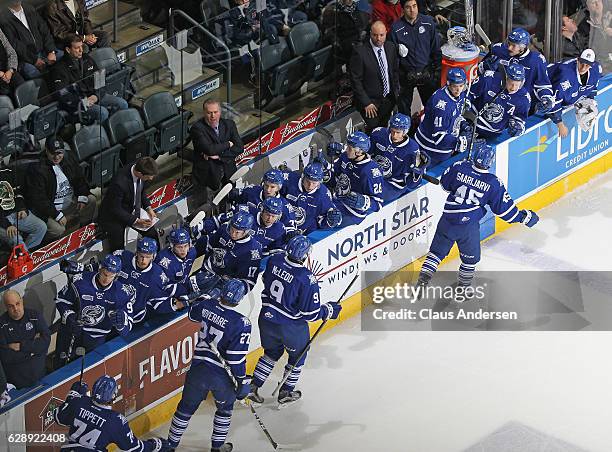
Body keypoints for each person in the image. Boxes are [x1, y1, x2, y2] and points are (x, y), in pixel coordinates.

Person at [417, 140, 539, 289]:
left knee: (435, 254)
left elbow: (445, 184)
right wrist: (525, 217)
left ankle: (421, 282)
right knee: (469, 261)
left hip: (447, 220)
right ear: (490, 162)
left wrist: (465, 170)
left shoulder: (459, 166)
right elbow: (506, 212)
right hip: (468, 228)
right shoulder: (493, 183)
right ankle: (463, 288)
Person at [247, 235, 341, 407]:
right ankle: (286, 392)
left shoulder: (274, 260)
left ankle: (252, 388)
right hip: (290, 326)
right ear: (305, 255)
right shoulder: (306, 278)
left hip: (266, 319)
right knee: (298, 356)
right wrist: (328, 310)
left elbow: (266, 281)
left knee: (271, 353)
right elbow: (310, 314)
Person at [165, 279, 251, 452]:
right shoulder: (242, 323)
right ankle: (217, 447)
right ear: (240, 299)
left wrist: (203, 300)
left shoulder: (207, 305)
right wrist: (242, 381)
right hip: (221, 376)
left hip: (198, 368)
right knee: (225, 409)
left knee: (185, 408)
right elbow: (235, 359)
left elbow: (192, 314)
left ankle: (170, 445)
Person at [60, 238, 186, 325]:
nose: (143, 260)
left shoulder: (158, 276)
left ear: (153, 256)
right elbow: (103, 268)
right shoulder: (122, 257)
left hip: (134, 317)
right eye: (141, 255)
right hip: (109, 308)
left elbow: (158, 302)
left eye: (147, 257)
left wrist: (175, 305)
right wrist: (80, 268)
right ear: (136, 252)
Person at [54, 254, 133, 365]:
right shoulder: (80, 281)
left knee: (87, 368)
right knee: (61, 364)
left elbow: (127, 328)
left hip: (96, 338)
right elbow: (60, 300)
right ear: (100, 268)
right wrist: (70, 318)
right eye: (105, 274)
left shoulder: (121, 293)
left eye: (111, 276)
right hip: (72, 332)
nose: (106, 279)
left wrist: (121, 323)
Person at [54, 375, 166, 451]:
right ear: (113, 396)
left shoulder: (79, 401)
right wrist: (155, 445)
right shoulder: (115, 420)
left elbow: (58, 418)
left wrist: (72, 395)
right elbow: (134, 448)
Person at [27, 137, 96, 240]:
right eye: (52, 153)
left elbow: (79, 179)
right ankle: (47, 245)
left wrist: (82, 195)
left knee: (91, 200)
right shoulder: (37, 168)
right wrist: (56, 214)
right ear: (46, 150)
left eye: (59, 153)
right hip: (51, 210)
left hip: (70, 203)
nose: (56, 157)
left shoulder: (69, 157)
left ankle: (84, 232)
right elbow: (39, 199)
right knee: (57, 230)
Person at [49, 33, 128, 124]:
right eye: (77, 48)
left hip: (94, 95)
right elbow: (63, 94)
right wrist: (82, 102)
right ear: (68, 49)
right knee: (102, 112)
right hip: (78, 104)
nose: (81, 50)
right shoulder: (59, 68)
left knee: (122, 104)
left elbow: (101, 80)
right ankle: (100, 136)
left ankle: (114, 131)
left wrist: (96, 96)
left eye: (81, 46)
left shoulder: (87, 58)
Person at [479, 27, 555, 113]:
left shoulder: (536, 60)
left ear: (524, 47)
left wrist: (547, 98)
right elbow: (478, 73)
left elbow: (543, 84)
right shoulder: (499, 49)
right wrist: (484, 67)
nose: (509, 48)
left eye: (514, 45)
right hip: (491, 99)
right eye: (509, 43)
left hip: (518, 105)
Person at [191, 210, 263, 295]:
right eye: (232, 229)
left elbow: (249, 281)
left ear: (247, 231)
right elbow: (209, 245)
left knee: (203, 304)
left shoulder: (253, 250)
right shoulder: (224, 229)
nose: (233, 234)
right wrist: (196, 238)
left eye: (237, 232)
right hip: (207, 271)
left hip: (224, 284)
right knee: (185, 295)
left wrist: (233, 292)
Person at [390, 0, 441, 116]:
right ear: (403, 9)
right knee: (404, 112)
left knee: (432, 109)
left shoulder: (428, 23)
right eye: (408, 7)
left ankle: (429, 132)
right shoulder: (396, 29)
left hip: (426, 73)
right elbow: (392, 59)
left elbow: (436, 50)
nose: (412, 10)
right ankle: (407, 133)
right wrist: (399, 78)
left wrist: (436, 74)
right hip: (406, 77)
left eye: (414, 6)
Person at [98, 157, 159, 252]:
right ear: (139, 173)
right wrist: (136, 220)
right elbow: (115, 209)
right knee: (118, 247)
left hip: (131, 209)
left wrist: (148, 208)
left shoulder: (139, 167)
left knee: (152, 234)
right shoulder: (119, 183)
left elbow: (141, 192)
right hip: (114, 216)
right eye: (148, 177)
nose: (150, 179)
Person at [349, 21, 400, 133]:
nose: (378, 38)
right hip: (370, 103)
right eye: (375, 35)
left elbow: (394, 71)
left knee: (384, 128)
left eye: (381, 35)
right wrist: (366, 102)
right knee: (375, 130)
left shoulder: (390, 47)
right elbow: (355, 80)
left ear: (386, 33)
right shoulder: (360, 52)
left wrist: (396, 91)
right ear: (370, 34)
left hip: (388, 99)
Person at [414, 68, 472, 166]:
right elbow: (439, 137)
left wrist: (462, 124)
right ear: (448, 84)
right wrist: (458, 143)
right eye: (455, 86)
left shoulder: (459, 95)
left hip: (443, 147)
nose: (458, 90)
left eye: (461, 86)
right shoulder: (441, 106)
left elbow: (455, 115)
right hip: (430, 149)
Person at [326, 131, 385, 226]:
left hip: (352, 213)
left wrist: (364, 202)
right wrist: (325, 173)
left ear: (359, 152)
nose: (346, 150)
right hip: (336, 201)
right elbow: (334, 179)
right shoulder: (346, 157)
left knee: (324, 222)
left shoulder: (370, 172)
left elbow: (378, 203)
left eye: (349, 148)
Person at [193, 199, 288, 256]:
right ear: (262, 210)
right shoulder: (244, 211)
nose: (269, 218)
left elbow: (273, 253)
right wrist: (200, 227)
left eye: (273, 216)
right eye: (267, 214)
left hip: (242, 261)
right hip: (223, 248)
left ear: (278, 216)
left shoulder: (280, 229)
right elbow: (218, 220)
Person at [369, 112, 430, 202]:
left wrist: (417, 174)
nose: (394, 135)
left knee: (372, 193)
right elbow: (364, 154)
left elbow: (411, 185)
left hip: (393, 184)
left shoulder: (412, 149)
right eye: (392, 131)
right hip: (374, 175)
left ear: (405, 131)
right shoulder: (379, 134)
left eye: (398, 132)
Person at [190, 99, 244, 192]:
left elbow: (239, 147)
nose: (213, 116)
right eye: (209, 113)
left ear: (220, 112)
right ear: (204, 113)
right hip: (208, 178)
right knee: (209, 205)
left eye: (215, 112)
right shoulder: (197, 128)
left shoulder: (229, 124)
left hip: (229, 173)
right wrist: (228, 144)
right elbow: (210, 150)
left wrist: (219, 156)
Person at [0, 290, 50, 389]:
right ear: (6, 307)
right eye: (11, 306)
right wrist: (32, 352)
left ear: (22, 301)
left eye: (17, 303)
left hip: (41, 376)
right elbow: (5, 356)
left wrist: (21, 346)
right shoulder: (2, 325)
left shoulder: (34, 316)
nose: (15, 308)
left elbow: (45, 341)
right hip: (17, 383)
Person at [547, 48, 603, 137]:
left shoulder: (596, 70)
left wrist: (589, 101)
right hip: (535, 92)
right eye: (582, 63)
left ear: (591, 65)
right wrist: (560, 124)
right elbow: (553, 100)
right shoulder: (565, 75)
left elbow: (592, 87)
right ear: (577, 60)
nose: (583, 68)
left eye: (587, 65)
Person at [468, 62, 531, 140]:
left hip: (492, 134)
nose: (513, 88)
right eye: (511, 83)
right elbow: (469, 95)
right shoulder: (489, 78)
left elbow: (520, 119)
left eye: (517, 85)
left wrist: (517, 127)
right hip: (472, 123)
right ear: (505, 78)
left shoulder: (524, 98)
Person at [0, 0, 60, 80]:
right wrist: (34, 60)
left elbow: (44, 29)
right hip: (25, 59)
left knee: (64, 57)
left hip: (44, 51)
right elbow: (15, 44)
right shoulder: (3, 17)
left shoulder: (29, 8)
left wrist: (51, 51)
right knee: (33, 73)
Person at [280, 162, 342, 235]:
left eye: (314, 183)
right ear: (303, 176)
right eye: (307, 181)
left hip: (305, 232)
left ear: (319, 182)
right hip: (281, 226)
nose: (310, 186)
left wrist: (331, 220)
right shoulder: (289, 179)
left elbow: (323, 220)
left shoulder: (323, 195)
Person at [230, 168, 296, 233]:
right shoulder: (250, 191)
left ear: (279, 187)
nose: (268, 190)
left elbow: (290, 229)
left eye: (272, 187)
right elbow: (237, 203)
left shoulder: (285, 207)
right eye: (266, 185)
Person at [0, 166, 47, 252]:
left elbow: (18, 193)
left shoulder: (8, 172)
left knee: (41, 227)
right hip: (2, 220)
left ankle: (25, 254)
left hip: (15, 213)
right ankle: (25, 259)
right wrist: (7, 225)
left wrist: (22, 208)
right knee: (16, 239)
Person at [45, 0, 110, 50]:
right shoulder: (52, 7)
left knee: (104, 36)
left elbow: (85, 19)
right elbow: (60, 34)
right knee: (83, 47)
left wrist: (90, 34)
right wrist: (83, 38)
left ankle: (105, 62)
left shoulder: (79, 1)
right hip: (66, 41)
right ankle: (88, 66)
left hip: (81, 34)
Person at [321, 0, 368, 66]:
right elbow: (329, 33)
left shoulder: (356, 8)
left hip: (358, 42)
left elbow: (362, 26)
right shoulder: (332, 11)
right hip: (345, 46)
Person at [0, 26, 23, 97]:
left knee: (20, 83)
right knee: (5, 91)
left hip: (7, 70)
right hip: (1, 74)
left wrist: (10, 70)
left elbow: (11, 52)